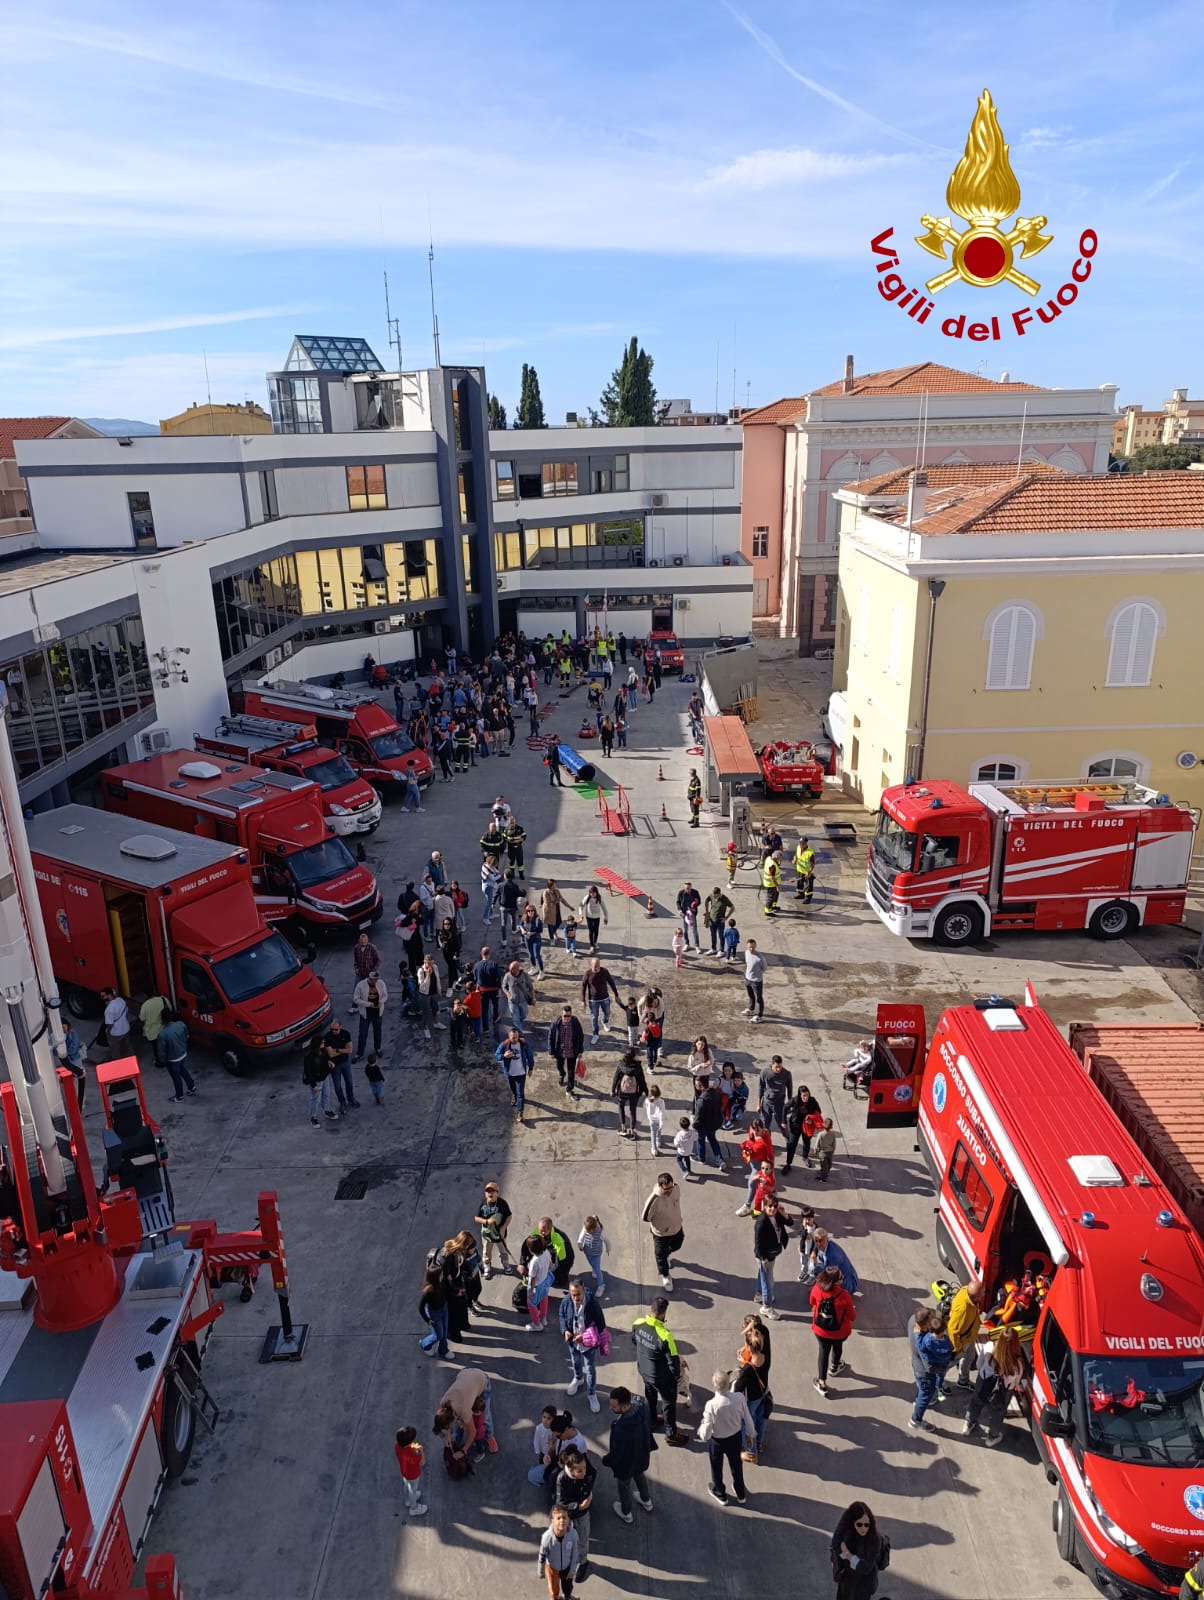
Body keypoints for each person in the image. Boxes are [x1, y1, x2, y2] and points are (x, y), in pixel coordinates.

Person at [631, 1297, 686, 1444]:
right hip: (661, 1378)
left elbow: (634, 1341)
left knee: (650, 1396)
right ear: (663, 1313)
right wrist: (676, 1378)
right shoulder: (665, 1336)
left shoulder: (638, 1323)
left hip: (644, 1371)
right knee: (668, 1403)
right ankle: (671, 1434)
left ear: (652, 1309)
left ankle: (652, 1420)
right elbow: (673, 1364)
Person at [698, 1370, 755, 1506]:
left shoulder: (711, 1405)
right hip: (735, 1438)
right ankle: (740, 1493)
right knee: (736, 1465)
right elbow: (748, 1419)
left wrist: (702, 1431)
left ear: (714, 1385)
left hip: (717, 1441)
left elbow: (706, 1434)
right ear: (729, 1384)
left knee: (716, 1468)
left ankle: (720, 1494)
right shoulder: (739, 1398)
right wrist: (750, 1434)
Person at [963, 1327, 1025, 1445]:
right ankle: (992, 1437)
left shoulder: (989, 1347)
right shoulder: (1017, 1364)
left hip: (984, 1382)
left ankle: (969, 1424)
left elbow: (979, 1364)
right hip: (1004, 1391)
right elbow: (1016, 1382)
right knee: (998, 1412)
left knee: (976, 1402)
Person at [603, 1387, 655, 1523]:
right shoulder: (642, 1407)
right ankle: (646, 1500)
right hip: (642, 1456)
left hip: (626, 1465)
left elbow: (616, 1452)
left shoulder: (620, 1427)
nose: (611, 1408)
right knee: (640, 1476)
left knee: (624, 1487)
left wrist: (606, 1460)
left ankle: (626, 1512)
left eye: (614, 1406)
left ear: (625, 1406)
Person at [560, 1276, 606, 1413]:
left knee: (590, 1369)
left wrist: (586, 1336)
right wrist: (565, 1331)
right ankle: (578, 1378)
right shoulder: (566, 1301)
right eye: (573, 1295)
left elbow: (601, 1324)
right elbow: (562, 1315)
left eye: (578, 1294)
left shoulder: (592, 1304)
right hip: (573, 1342)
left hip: (588, 1345)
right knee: (575, 1361)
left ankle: (591, 1394)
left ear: (584, 1290)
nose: (575, 1298)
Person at [811, 1266, 857, 1395]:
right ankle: (834, 1367)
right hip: (839, 1331)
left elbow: (812, 1301)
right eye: (841, 1277)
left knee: (823, 1352)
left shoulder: (817, 1288)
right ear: (835, 1282)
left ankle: (822, 1383)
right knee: (837, 1347)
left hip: (820, 1330)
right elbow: (852, 1317)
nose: (843, 1278)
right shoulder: (844, 1295)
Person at [553, 1450, 597, 1581]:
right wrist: (578, 1506)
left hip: (582, 1515)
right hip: (568, 1515)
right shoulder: (562, 1479)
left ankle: (583, 1562)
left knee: (583, 1539)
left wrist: (588, 1494)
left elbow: (593, 1475)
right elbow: (561, 1503)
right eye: (580, 1471)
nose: (584, 1472)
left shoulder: (587, 1472)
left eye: (584, 1468)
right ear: (571, 1471)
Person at [830, 1503, 888, 1600]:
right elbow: (836, 1543)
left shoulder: (875, 1540)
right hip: (846, 1581)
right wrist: (844, 1555)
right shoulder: (847, 1533)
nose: (863, 1528)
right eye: (859, 1524)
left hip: (864, 1584)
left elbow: (866, 1567)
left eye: (866, 1525)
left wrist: (848, 1555)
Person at [910, 1312, 953, 1430]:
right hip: (938, 1368)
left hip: (928, 1367)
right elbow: (951, 1350)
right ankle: (915, 1420)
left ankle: (922, 1399)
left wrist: (917, 1334)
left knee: (923, 1390)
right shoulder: (946, 1342)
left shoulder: (926, 1339)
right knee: (927, 1392)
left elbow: (920, 1347)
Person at [641, 1174, 684, 1292]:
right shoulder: (654, 1200)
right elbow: (645, 1217)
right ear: (660, 1186)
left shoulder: (676, 1188)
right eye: (666, 1189)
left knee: (677, 1245)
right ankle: (665, 1275)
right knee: (660, 1255)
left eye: (671, 1187)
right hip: (662, 1234)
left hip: (676, 1228)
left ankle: (666, 1256)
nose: (669, 1191)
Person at [753, 1195, 790, 1320]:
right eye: (770, 1206)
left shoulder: (777, 1215)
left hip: (772, 1253)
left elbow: (790, 1222)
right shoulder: (761, 1222)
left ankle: (759, 1294)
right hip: (765, 1256)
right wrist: (764, 1259)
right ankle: (767, 1307)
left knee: (763, 1275)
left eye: (775, 1206)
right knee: (768, 1281)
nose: (773, 1209)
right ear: (765, 1206)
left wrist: (784, 1213)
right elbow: (758, 1244)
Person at [947, 1278, 985, 1386]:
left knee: (969, 1357)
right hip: (962, 1341)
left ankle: (963, 1381)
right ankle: (938, 1381)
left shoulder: (966, 1291)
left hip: (970, 1337)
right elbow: (952, 1330)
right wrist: (958, 1348)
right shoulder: (963, 1309)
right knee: (950, 1363)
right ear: (976, 1297)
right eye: (983, 1293)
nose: (984, 1294)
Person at [537, 1505, 579, 1599]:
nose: (562, 1520)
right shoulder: (547, 1538)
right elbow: (542, 1555)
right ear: (552, 1521)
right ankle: (555, 1598)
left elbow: (575, 1554)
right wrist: (541, 1571)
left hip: (567, 1567)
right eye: (558, 1518)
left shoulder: (573, 1535)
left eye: (564, 1517)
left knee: (568, 1586)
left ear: (568, 1520)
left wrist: (572, 1570)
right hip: (552, 1568)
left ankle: (567, 1596)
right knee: (553, 1588)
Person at [475, 1182, 515, 1277]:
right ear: (485, 1193)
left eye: (492, 1191)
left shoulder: (502, 1204)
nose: (490, 1193)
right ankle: (487, 1265)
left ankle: (505, 1263)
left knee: (503, 1250)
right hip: (487, 1235)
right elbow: (476, 1218)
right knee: (486, 1251)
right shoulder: (483, 1204)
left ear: (497, 1192)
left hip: (500, 1234)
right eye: (488, 1191)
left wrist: (503, 1228)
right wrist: (486, 1221)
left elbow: (509, 1216)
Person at [804, 1228, 861, 1294]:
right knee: (814, 1267)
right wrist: (814, 1252)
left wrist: (817, 1288)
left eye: (821, 1241)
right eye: (816, 1241)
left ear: (827, 1239)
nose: (818, 1244)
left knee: (825, 1284)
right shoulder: (826, 1244)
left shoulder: (834, 1256)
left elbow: (829, 1276)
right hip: (835, 1271)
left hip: (847, 1281)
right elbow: (816, 1245)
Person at [156, 1008, 195, 1101]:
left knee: (176, 1077)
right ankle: (192, 1087)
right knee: (183, 1070)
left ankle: (179, 1096)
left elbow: (161, 1051)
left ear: (162, 1019)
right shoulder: (181, 1024)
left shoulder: (162, 1034)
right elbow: (187, 1036)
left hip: (172, 1059)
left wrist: (163, 1060)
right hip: (183, 1053)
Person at [496, 1026, 533, 1118]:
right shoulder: (504, 1045)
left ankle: (520, 1112)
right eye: (513, 1038)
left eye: (517, 1037)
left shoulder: (524, 1044)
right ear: (509, 1037)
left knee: (521, 1094)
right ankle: (514, 1095)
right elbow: (497, 1055)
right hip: (510, 1073)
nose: (515, 1039)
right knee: (513, 1089)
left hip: (521, 1073)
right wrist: (503, 1056)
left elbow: (530, 1056)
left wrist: (531, 1068)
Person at [784, 1084, 823, 1171]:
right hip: (795, 1126)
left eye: (807, 1095)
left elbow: (818, 1111)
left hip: (807, 1126)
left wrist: (812, 1120)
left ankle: (805, 1157)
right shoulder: (795, 1100)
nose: (806, 1098)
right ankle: (788, 1163)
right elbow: (785, 1107)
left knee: (806, 1142)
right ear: (800, 1095)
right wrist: (784, 1121)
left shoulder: (812, 1100)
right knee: (792, 1144)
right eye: (804, 1096)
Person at [548, 1004, 585, 1098]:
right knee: (559, 1066)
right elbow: (551, 1038)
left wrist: (580, 1051)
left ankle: (569, 1088)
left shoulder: (575, 1022)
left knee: (571, 1072)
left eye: (569, 1016)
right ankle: (562, 1074)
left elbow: (581, 1036)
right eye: (565, 1016)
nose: (567, 1018)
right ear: (561, 1015)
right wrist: (551, 1052)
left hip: (572, 1051)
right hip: (560, 1051)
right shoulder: (556, 1024)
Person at [581, 957, 620, 1043]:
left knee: (607, 1013)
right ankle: (595, 1034)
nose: (596, 968)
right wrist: (583, 1000)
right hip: (593, 1000)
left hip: (605, 998)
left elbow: (611, 982)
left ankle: (604, 1022)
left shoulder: (604, 971)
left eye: (598, 966)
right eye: (594, 967)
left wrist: (616, 995)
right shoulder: (587, 974)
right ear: (591, 965)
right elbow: (583, 987)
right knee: (594, 1017)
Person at [691, 1075, 726, 1169]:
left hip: (704, 1126)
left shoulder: (701, 1100)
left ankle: (701, 1158)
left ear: (702, 1086)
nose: (695, 1087)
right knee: (713, 1140)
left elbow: (698, 1117)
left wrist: (694, 1125)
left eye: (697, 1085)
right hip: (714, 1123)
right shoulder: (715, 1093)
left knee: (700, 1140)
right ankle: (720, 1160)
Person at [323, 1017, 357, 1111]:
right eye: (332, 1029)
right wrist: (343, 1050)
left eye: (336, 1029)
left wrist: (336, 1050)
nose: (333, 1031)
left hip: (345, 1062)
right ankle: (342, 1102)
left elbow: (350, 1050)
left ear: (341, 1027)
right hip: (335, 1065)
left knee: (349, 1082)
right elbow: (330, 1054)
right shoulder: (327, 1037)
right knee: (337, 1086)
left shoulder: (346, 1034)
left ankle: (351, 1099)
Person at [352, 970, 388, 1060]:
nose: (376, 981)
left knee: (378, 1031)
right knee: (362, 1034)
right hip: (365, 1014)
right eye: (374, 980)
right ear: (369, 979)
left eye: (377, 979)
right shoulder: (360, 985)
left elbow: (385, 995)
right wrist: (368, 1004)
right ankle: (360, 1053)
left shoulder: (381, 983)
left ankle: (377, 1048)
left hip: (378, 1013)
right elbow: (355, 999)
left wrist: (381, 1001)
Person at [612, 1049, 647, 1139]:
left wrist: (613, 1090)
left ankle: (623, 1128)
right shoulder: (638, 1067)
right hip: (634, 1093)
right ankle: (632, 1131)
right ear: (634, 1056)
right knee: (633, 1111)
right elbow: (642, 1081)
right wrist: (645, 1092)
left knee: (621, 1107)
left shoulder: (621, 1065)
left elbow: (616, 1078)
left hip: (622, 1091)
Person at [525, 1232, 555, 1331]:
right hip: (545, 1280)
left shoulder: (534, 1262)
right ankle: (543, 1317)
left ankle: (537, 1324)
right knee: (544, 1298)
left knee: (531, 1304)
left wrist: (531, 1291)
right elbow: (550, 1264)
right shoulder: (546, 1252)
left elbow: (533, 1278)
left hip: (537, 1286)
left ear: (531, 1249)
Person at [394, 1426, 427, 1516]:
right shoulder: (413, 1453)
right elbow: (422, 1463)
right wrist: (421, 1451)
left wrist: (411, 1446)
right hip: (413, 1475)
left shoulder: (397, 1446)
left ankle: (408, 1500)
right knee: (413, 1490)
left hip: (404, 1472)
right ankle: (414, 1508)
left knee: (406, 1485)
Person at [418, 1265, 450, 1359]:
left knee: (445, 1331)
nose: (443, 1275)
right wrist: (427, 1319)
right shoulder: (428, 1291)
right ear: (435, 1277)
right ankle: (424, 1344)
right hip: (434, 1313)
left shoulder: (442, 1283)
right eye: (441, 1274)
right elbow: (421, 1307)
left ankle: (443, 1350)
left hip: (444, 1309)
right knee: (438, 1335)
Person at [758, 1055, 794, 1136]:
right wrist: (759, 1104)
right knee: (765, 1125)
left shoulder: (787, 1074)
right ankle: (767, 1141)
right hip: (767, 1103)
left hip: (779, 1104)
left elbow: (790, 1089)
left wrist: (790, 1104)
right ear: (771, 1065)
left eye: (780, 1067)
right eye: (776, 1067)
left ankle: (789, 1140)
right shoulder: (764, 1073)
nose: (778, 1069)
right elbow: (760, 1088)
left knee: (782, 1125)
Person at [303, 1041, 337, 1126]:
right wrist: (314, 1085)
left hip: (325, 1077)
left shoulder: (323, 1051)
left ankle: (327, 1111)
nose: (324, 1044)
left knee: (326, 1094)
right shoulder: (309, 1056)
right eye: (322, 1042)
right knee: (315, 1099)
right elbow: (308, 1072)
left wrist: (330, 1062)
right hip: (316, 1080)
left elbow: (326, 1060)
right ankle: (313, 1117)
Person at [473, 947, 504, 1039]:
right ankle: (495, 1019)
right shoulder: (494, 964)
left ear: (481, 953)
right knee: (495, 1005)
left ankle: (485, 1029)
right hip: (494, 990)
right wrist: (499, 988)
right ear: (489, 954)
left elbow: (475, 978)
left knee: (484, 1010)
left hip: (483, 991)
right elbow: (498, 977)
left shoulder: (477, 965)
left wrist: (477, 987)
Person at [578, 1214, 609, 1295]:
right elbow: (580, 1239)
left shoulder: (600, 1232)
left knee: (598, 1269)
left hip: (596, 1254)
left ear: (592, 1230)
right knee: (592, 1263)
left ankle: (601, 1285)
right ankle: (594, 1270)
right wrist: (580, 1246)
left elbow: (607, 1241)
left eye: (588, 1231)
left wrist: (608, 1248)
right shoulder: (586, 1228)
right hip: (587, 1252)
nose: (586, 1231)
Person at [98, 986, 131, 1061]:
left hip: (116, 1033)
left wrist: (108, 1032)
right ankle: (130, 1059)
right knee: (127, 1046)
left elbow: (110, 1024)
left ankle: (118, 1063)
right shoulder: (121, 1000)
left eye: (103, 996)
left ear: (109, 995)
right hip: (126, 1028)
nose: (101, 998)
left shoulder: (109, 1010)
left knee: (115, 1051)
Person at [417, 957, 445, 1041]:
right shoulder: (421, 971)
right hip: (425, 994)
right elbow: (421, 987)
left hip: (433, 992)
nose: (430, 965)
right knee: (426, 1012)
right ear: (424, 962)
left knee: (436, 1008)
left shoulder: (435, 967)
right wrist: (428, 975)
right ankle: (425, 1028)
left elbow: (437, 979)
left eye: (431, 963)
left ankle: (436, 1023)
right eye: (428, 963)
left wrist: (439, 990)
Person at [503, 961, 535, 1030]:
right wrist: (508, 994)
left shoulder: (525, 976)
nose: (510, 971)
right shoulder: (507, 976)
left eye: (512, 969)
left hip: (523, 1001)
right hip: (513, 1002)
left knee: (524, 1015)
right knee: (516, 1020)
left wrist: (533, 998)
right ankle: (519, 1032)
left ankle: (519, 1022)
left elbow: (531, 988)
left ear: (517, 969)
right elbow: (504, 987)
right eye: (510, 969)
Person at [578, 886, 607, 954]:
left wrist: (606, 917)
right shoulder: (587, 897)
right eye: (591, 893)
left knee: (596, 930)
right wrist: (581, 914)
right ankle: (591, 946)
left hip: (597, 917)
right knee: (591, 931)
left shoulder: (600, 898)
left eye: (593, 893)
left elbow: (604, 908)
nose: (592, 894)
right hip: (589, 917)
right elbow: (581, 905)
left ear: (596, 892)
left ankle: (595, 942)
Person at [743, 939, 766, 1022]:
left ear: (755, 946)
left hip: (756, 981)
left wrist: (757, 975)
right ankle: (751, 1009)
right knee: (751, 995)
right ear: (747, 947)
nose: (751, 949)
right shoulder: (746, 953)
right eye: (750, 947)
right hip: (748, 979)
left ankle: (760, 1016)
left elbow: (764, 968)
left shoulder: (760, 958)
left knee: (759, 998)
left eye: (753, 947)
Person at [704, 888, 732, 954]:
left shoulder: (725, 899)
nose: (714, 897)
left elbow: (732, 907)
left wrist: (726, 917)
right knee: (713, 935)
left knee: (721, 936)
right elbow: (706, 901)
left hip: (720, 921)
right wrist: (707, 912)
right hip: (711, 920)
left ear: (719, 894)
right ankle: (713, 948)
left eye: (716, 896)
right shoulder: (711, 895)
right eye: (713, 896)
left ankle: (721, 950)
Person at [521, 904, 546, 976]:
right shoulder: (524, 918)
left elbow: (540, 930)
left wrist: (531, 933)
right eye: (528, 911)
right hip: (527, 939)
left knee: (537, 955)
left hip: (536, 939)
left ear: (534, 911)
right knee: (530, 954)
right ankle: (534, 967)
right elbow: (521, 925)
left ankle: (541, 971)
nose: (530, 912)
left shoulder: (537, 919)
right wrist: (523, 930)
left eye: (532, 910)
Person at [675, 882, 701, 950]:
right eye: (686, 888)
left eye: (689, 888)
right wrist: (679, 910)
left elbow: (699, 902)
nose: (688, 890)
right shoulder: (681, 893)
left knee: (694, 930)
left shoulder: (695, 892)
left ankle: (697, 945)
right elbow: (678, 902)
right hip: (684, 913)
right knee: (685, 930)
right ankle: (687, 944)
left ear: (691, 887)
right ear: (684, 888)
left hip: (692, 913)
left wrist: (695, 904)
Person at [541, 880, 566, 945]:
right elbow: (548, 903)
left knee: (559, 922)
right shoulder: (546, 892)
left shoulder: (556, 891)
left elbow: (561, 898)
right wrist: (557, 901)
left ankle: (553, 932)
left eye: (555, 884)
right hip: (549, 911)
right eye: (554, 885)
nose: (555, 886)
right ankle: (551, 939)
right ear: (550, 886)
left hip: (556, 910)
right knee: (550, 925)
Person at [643, 1084, 665, 1156]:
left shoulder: (647, 1100)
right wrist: (661, 1122)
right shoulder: (661, 1101)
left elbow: (644, 1107)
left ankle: (654, 1148)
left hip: (652, 1120)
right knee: (659, 1130)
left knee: (653, 1134)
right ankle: (658, 1141)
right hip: (659, 1120)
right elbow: (662, 1112)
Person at [794, 836, 816, 902]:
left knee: (808, 885)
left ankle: (808, 898)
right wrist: (795, 859)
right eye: (800, 843)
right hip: (800, 870)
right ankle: (801, 894)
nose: (801, 845)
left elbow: (813, 864)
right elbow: (796, 855)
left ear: (806, 843)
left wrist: (809, 872)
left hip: (808, 872)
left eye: (803, 843)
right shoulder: (798, 847)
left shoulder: (810, 853)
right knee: (800, 883)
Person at [760, 851, 781, 917]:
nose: (780, 859)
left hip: (772, 883)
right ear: (776, 857)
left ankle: (773, 906)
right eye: (779, 858)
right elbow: (772, 877)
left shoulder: (769, 858)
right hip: (771, 884)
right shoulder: (772, 866)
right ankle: (768, 911)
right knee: (770, 897)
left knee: (775, 895)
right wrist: (777, 886)